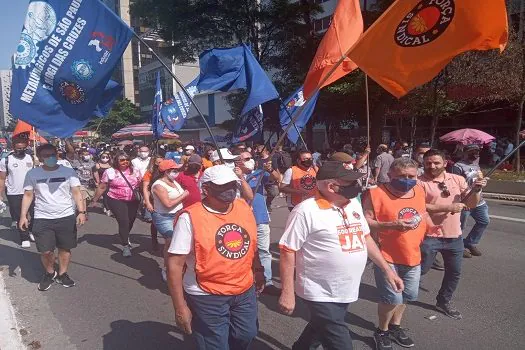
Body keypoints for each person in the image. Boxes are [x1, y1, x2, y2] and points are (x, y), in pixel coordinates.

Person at [279, 161, 403, 350]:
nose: (357, 187)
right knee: (338, 339)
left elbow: (366, 237)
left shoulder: (352, 204)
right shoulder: (305, 212)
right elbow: (288, 251)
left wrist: (388, 270)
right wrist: (287, 292)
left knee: (319, 326)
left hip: (345, 287)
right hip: (319, 290)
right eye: (350, 184)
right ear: (331, 186)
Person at [166, 165, 265, 349]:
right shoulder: (190, 217)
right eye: (223, 186)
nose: (230, 190)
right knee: (215, 344)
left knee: (247, 334)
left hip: (244, 289)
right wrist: (180, 307)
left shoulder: (243, 207)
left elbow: (251, 244)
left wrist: (258, 269)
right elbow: (174, 265)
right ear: (206, 189)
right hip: (206, 294)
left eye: (233, 184)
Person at [363, 158, 441, 349]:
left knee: (406, 296)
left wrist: (431, 226)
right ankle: (382, 331)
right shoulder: (375, 194)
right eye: (401, 176)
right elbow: (365, 222)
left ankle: (395, 326)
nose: (407, 180)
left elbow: (422, 213)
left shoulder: (419, 190)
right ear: (390, 175)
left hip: (413, 255)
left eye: (411, 176)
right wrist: (390, 225)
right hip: (386, 256)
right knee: (391, 299)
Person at [418, 149, 487, 319]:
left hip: (454, 236)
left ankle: (443, 301)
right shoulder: (418, 182)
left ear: (445, 163)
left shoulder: (457, 179)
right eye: (428, 163)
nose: (432, 166)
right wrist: (448, 207)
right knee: (422, 270)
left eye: (436, 163)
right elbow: (419, 206)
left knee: (454, 272)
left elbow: (470, 204)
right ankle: (402, 293)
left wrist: (476, 190)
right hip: (428, 236)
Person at [20, 144, 86, 291]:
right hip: (42, 217)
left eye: (52, 155)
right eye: (45, 155)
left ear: (57, 155)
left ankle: (63, 274)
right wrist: (23, 216)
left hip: (66, 216)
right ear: (40, 158)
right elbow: (28, 195)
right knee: (46, 251)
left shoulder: (68, 172)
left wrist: (81, 212)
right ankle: (50, 272)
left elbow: (76, 192)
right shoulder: (33, 174)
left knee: (64, 248)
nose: (49, 158)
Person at [239, 151, 281, 295]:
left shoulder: (259, 173)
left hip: (260, 218)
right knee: (243, 252)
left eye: (251, 158)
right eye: (246, 159)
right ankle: (248, 280)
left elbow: (277, 179)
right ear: (238, 162)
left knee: (263, 251)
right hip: (241, 221)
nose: (250, 160)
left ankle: (267, 281)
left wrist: (270, 170)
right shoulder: (232, 177)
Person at [91, 151, 142, 257]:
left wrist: (146, 199)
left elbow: (141, 185)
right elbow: (102, 186)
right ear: (116, 161)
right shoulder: (110, 172)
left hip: (133, 200)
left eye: (127, 159)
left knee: (131, 221)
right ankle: (125, 245)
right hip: (115, 199)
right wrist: (95, 200)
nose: (125, 162)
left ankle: (125, 235)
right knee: (123, 221)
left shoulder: (135, 171)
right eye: (122, 160)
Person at [151, 160, 189, 281]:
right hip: (164, 217)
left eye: (177, 170)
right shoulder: (158, 185)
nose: (177, 172)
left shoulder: (174, 182)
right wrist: (184, 195)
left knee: (181, 241)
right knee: (172, 241)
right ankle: (167, 269)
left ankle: (180, 266)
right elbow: (168, 204)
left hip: (179, 214)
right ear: (166, 172)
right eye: (174, 170)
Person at [450, 144, 490, 257]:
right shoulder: (458, 166)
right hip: (465, 201)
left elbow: (477, 180)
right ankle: (459, 247)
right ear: (465, 152)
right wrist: (462, 200)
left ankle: (470, 242)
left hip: (479, 200)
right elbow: (455, 185)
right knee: (460, 226)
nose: (475, 154)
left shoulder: (477, 165)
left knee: (484, 221)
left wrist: (482, 181)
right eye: (472, 151)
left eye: (477, 151)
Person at [0, 137, 35, 248]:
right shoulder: (6, 160)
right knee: (20, 216)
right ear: (14, 147)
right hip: (14, 193)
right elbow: (1, 178)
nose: (22, 150)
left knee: (34, 214)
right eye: (19, 148)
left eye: (24, 148)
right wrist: (0, 194)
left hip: (30, 192)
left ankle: (31, 230)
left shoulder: (30, 158)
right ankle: (24, 237)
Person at [143, 155, 164, 251]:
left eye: (162, 162)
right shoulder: (149, 173)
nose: (160, 164)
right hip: (153, 199)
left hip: (165, 199)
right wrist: (147, 202)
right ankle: (154, 240)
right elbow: (145, 188)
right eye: (158, 162)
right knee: (155, 221)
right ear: (154, 163)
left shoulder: (166, 172)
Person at [93, 151, 112, 216]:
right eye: (103, 157)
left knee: (109, 197)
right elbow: (95, 173)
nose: (105, 158)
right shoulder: (98, 165)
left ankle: (105, 206)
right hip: (102, 183)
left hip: (111, 183)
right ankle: (108, 209)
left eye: (107, 157)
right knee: (105, 196)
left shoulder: (111, 165)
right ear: (100, 157)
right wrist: (97, 182)